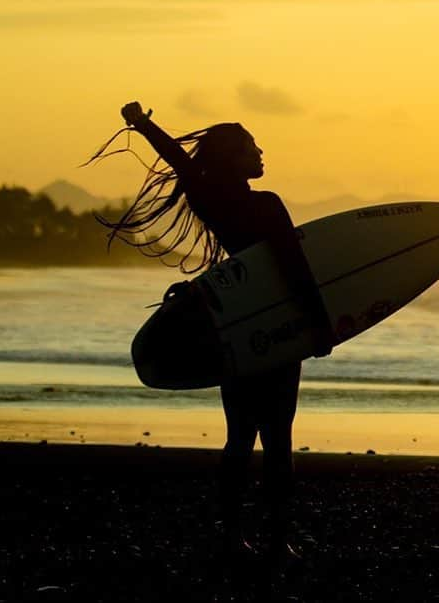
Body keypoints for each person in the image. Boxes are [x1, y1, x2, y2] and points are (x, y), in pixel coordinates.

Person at [92, 101, 334, 564]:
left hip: (235, 323)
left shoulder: (210, 199)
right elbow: (294, 269)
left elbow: (179, 161)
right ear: (232, 159)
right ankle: (278, 540)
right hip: (276, 323)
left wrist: (145, 126)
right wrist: (320, 327)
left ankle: (230, 538)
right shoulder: (266, 205)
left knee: (239, 436)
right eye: (251, 149)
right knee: (278, 437)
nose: (261, 153)